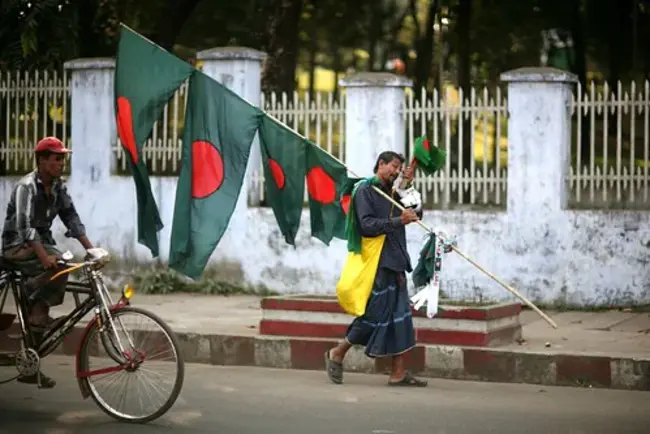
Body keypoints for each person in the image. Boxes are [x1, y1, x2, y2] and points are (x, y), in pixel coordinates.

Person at [325, 150, 428, 387]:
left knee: (400, 319)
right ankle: (337, 352)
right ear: (380, 164)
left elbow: (417, 213)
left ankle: (398, 373)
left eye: (399, 169)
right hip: (376, 264)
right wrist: (397, 221)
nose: (395, 172)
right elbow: (367, 226)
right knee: (373, 315)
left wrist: (409, 188)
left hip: (396, 262)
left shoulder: (394, 192)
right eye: (393, 166)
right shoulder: (364, 191)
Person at [1, 136, 95, 388]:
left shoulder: (57, 187)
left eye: (63, 158)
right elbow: (24, 228)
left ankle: (34, 345)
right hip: (16, 247)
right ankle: (33, 294)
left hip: (40, 244)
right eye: (56, 158)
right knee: (58, 266)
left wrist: (92, 250)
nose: (61, 163)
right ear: (41, 161)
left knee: (62, 263)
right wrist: (45, 258)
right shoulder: (26, 187)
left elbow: (71, 218)